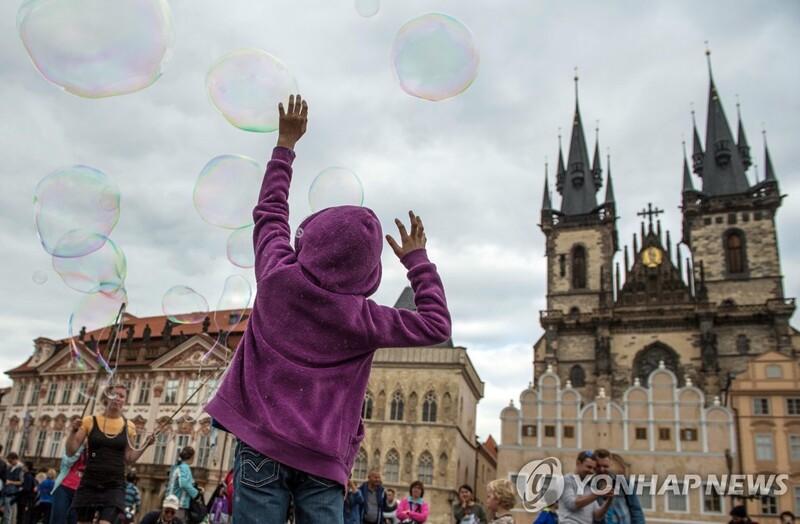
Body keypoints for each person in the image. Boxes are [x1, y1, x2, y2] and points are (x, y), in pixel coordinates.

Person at [205, 94, 451, 524]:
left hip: (261, 444)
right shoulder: (365, 319)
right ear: (367, 270)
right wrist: (417, 260)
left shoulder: (278, 276)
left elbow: (270, 214)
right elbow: (436, 324)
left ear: (311, 238)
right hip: (322, 459)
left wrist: (286, 145)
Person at [65, 384, 155, 524]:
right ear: (107, 398)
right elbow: (71, 452)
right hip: (90, 481)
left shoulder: (129, 426)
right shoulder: (90, 421)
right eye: (114, 394)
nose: (117, 398)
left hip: (114, 484)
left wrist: (145, 445)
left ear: (125, 400)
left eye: (121, 396)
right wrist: (72, 432)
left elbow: (129, 458)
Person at [557, 450, 612, 524]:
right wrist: (598, 493)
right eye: (589, 467)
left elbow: (597, 516)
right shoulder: (566, 480)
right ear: (578, 463)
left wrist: (609, 500)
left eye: (594, 468)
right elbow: (573, 504)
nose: (591, 471)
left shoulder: (589, 486)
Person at [592, 449, 644, 524]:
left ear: (611, 464)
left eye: (605, 466)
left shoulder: (623, 482)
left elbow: (636, 509)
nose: (602, 469)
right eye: (598, 466)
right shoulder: (588, 485)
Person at [49, 447, 86, 524]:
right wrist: (81, 447)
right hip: (64, 486)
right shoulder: (75, 444)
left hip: (83, 491)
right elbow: (66, 461)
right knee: (58, 520)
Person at [167, 447, 202, 523]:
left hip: (170, 501)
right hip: (179, 504)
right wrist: (196, 494)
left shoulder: (176, 466)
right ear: (192, 457)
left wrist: (197, 488)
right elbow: (184, 483)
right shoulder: (185, 467)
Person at [4, 453, 22, 524]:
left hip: (12, 492)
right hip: (6, 491)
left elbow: (21, 482)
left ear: (15, 459)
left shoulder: (21, 468)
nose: (9, 463)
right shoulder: (9, 467)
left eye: (10, 461)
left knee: (7, 513)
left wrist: (10, 482)